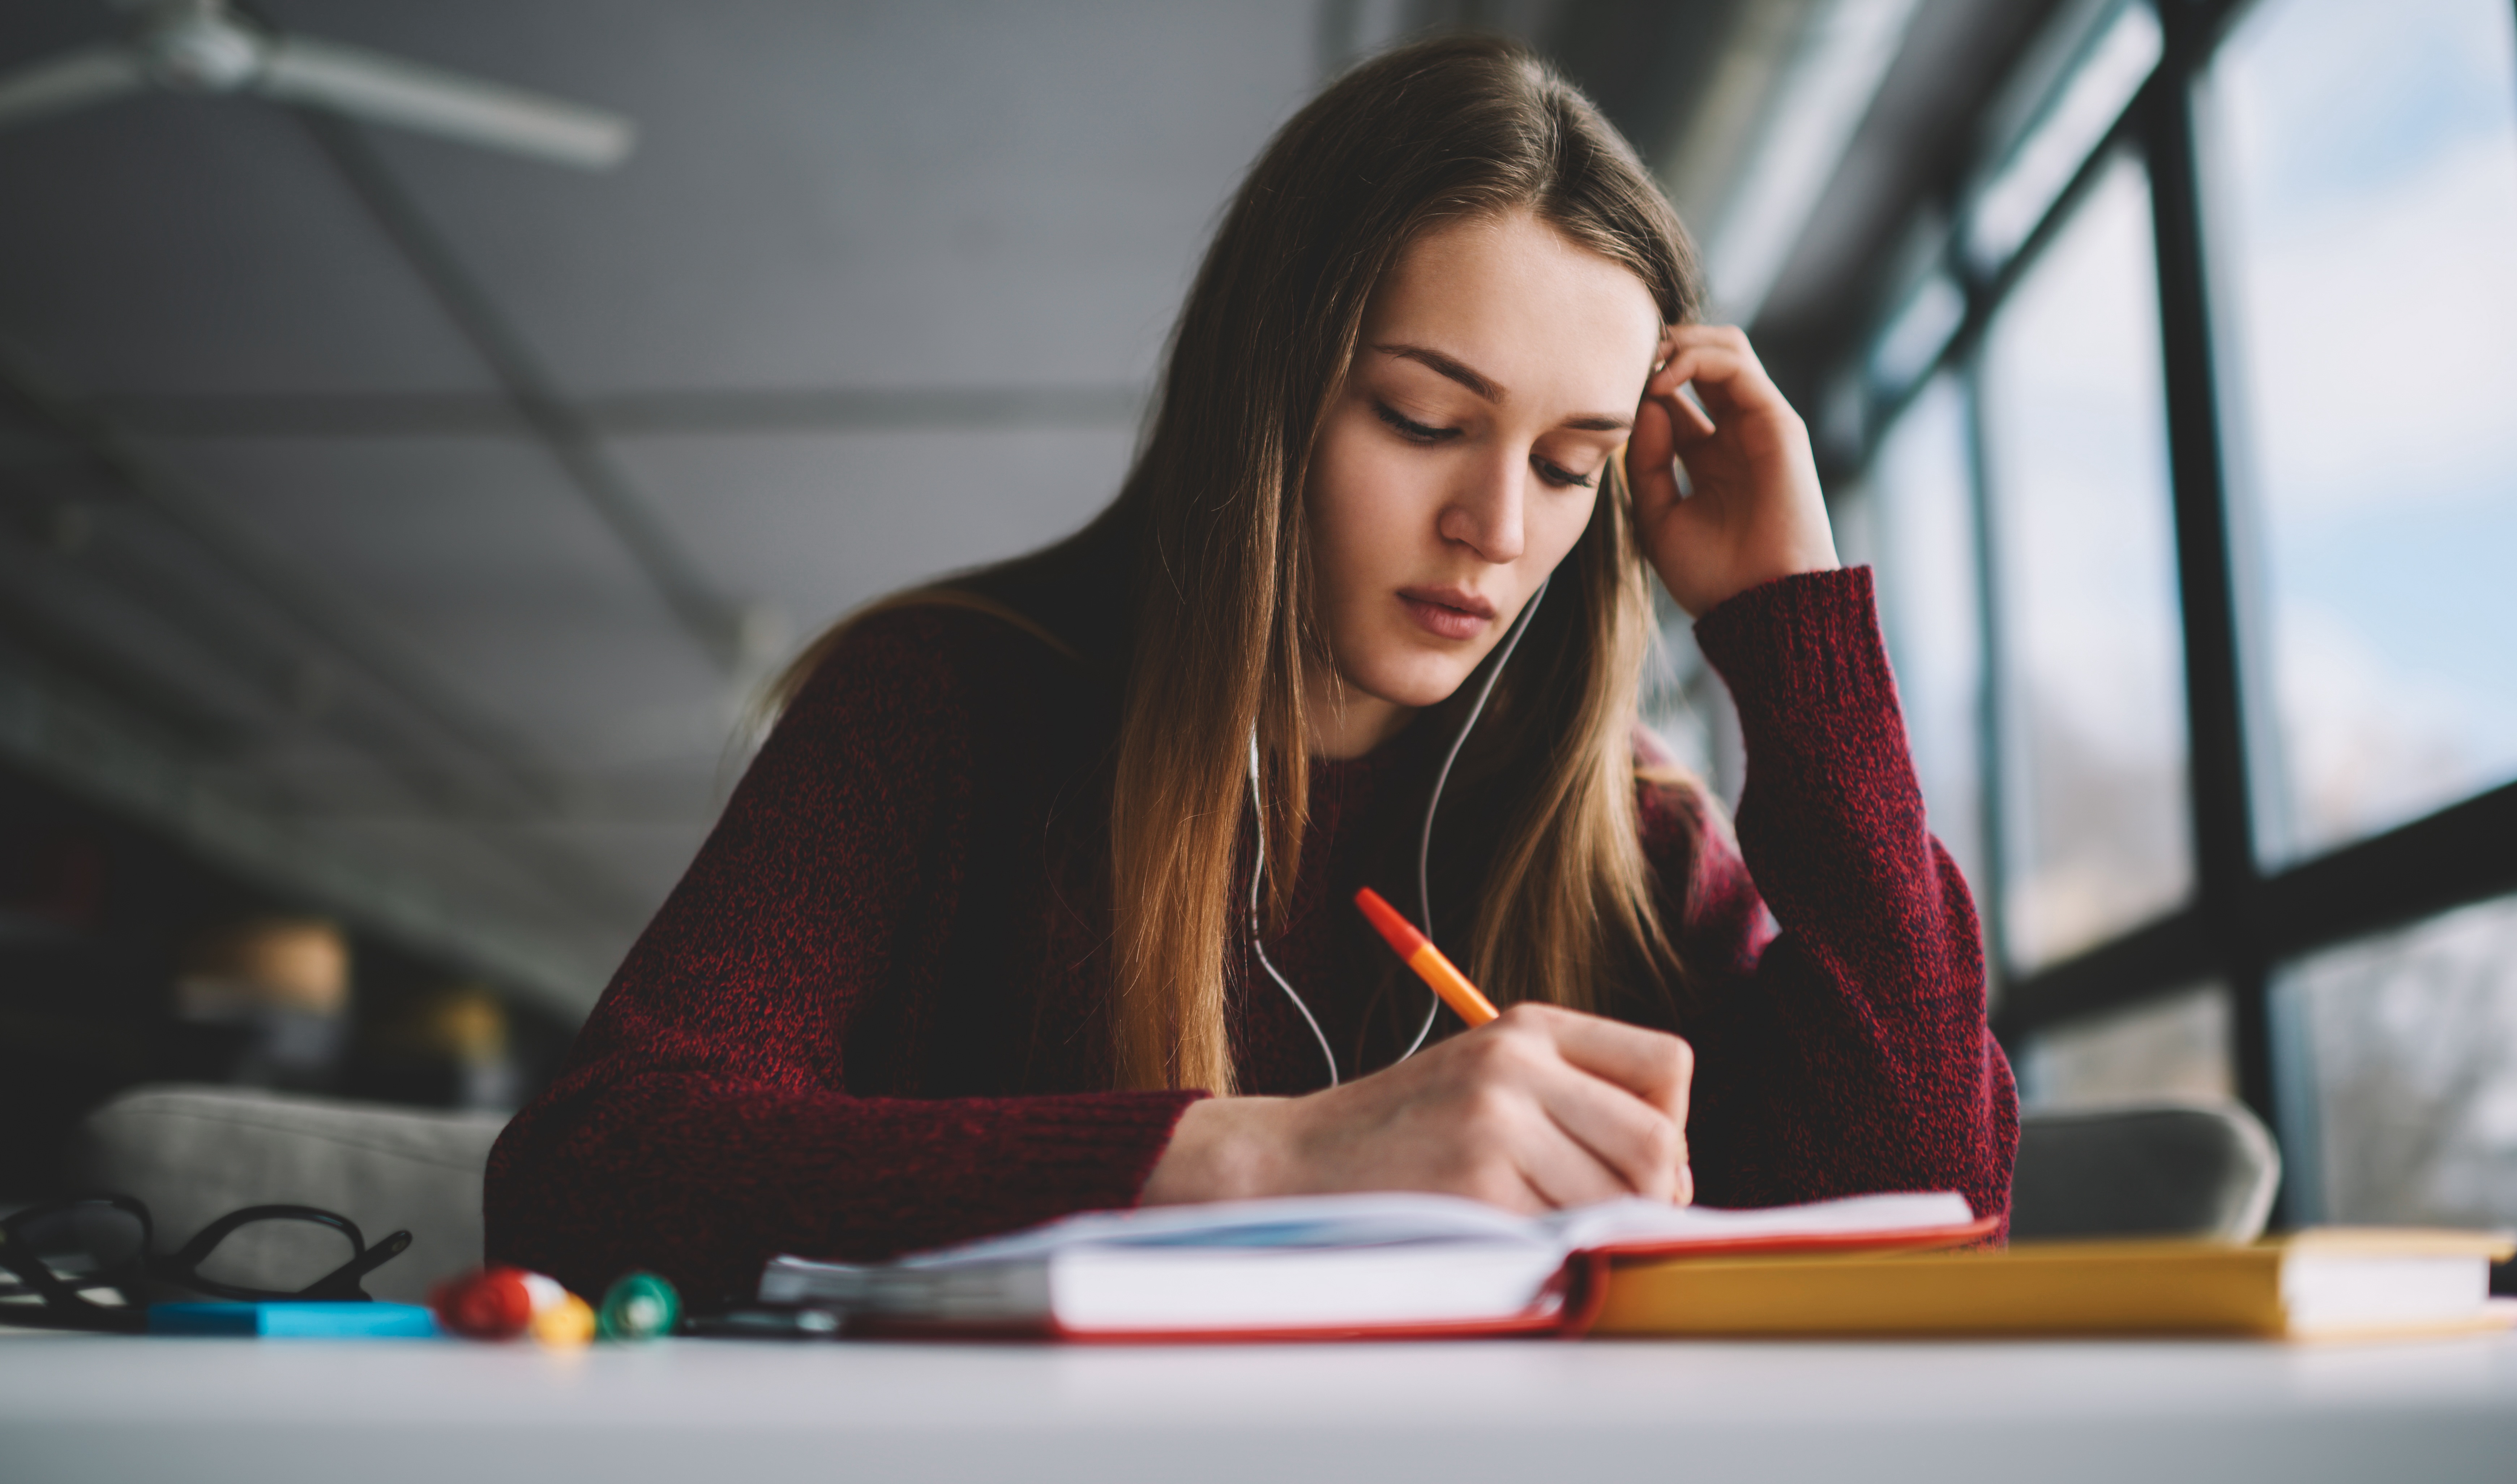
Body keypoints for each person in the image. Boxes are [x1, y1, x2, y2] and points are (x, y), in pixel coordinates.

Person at [487, 34, 2017, 1306]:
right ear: (1264, 392)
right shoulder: (940, 709)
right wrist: (1266, 1158)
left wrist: (1796, 639)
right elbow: (592, 1173)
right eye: (1423, 420)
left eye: (1570, 463)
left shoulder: (1629, 828)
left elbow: (1936, 1209)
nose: (1494, 527)